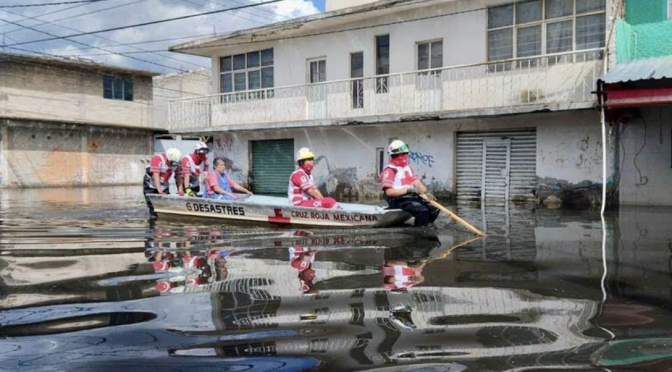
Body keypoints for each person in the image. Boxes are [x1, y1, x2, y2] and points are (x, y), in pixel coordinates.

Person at [379, 140, 439, 227]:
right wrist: (408, 190)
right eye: (403, 154)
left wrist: (426, 193)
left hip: (409, 196)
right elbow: (389, 192)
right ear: (396, 155)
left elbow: (416, 182)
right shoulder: (389, 170)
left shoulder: (407, 168)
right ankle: (420, 232)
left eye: (406, 153)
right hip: (396, 198)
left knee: (435, 208)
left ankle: (426, 225)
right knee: (422, 211)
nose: (406, 156)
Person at [143, 147, 182, 217]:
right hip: (150, 183)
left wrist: (180, 190)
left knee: (166, 202)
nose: (172, 164)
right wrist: (160, 191)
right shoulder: (157, 159)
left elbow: (178, 176)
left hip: (164, 182)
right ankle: (153, 216)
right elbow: (156, 176)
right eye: (172, 162)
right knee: (152, 204)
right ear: (168, 158)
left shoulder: (177, 162)